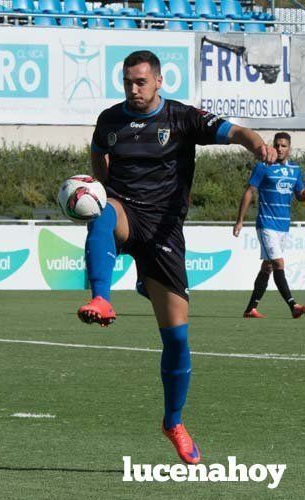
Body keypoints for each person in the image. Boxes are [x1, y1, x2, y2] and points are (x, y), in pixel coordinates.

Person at [78, 50, 277, 464]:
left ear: (159, 80)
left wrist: (256, 143)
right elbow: (99, 152)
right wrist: (99, 185)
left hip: (165, 231)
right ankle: (101, 296)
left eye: (141, 82)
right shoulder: (110, 119)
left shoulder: (183, 118)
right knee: (99, 210)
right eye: (128, 82)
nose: (134, 90)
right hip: (125, 213)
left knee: (177, 339)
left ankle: (173, 422)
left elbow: (234, 131)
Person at [233, 132, 304, 319]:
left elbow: (300, 195)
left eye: (283, 146)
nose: (279, 149)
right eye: (277, 145)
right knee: (278, 263)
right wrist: (240, 220)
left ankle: (250, 309)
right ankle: (293, 305)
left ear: (289, 148)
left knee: (268, 267)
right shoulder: (263, 167)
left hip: (283, 226)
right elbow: (249, 192)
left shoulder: (296, 170)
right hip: (266, 224)